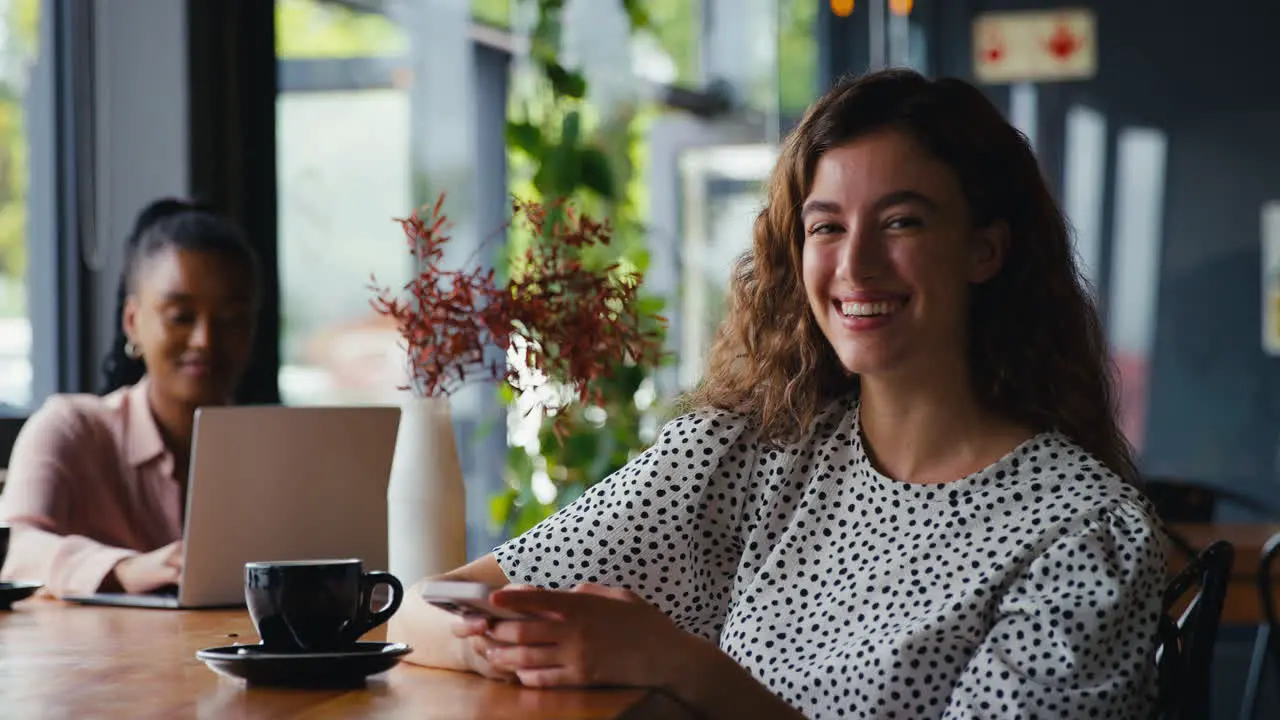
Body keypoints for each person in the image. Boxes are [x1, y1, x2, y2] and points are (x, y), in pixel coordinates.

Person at [389, 69, 1169, 719]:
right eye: (825, 228)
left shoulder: (1083, 533)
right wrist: (518, 645)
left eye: (901, 222)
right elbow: (432, 606)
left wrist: (683, 668)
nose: (856, 267)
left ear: (985, 250)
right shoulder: (750, 454)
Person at [0, 198, 259, 597]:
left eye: (231, 319)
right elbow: (15, 549)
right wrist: (125, 568)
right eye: (181, 317)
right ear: (133, 322)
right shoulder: (72, 429)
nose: (205, 341)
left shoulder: (270, 452)